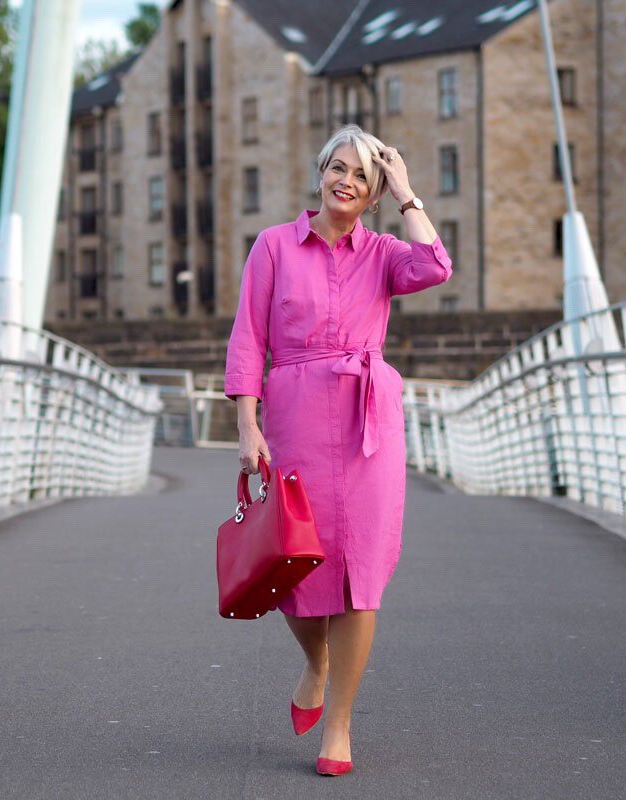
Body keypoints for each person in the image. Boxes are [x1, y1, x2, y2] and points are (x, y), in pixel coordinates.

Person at [224, 124, 452, 776]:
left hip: (367, 422)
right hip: (294, 414)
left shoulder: (384, 253)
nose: (346, 181)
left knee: (361, 572)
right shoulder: (273, 246)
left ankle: (341, 724)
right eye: (338, 168)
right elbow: (249, 338)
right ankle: (316, 661)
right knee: (295, 560)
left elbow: (436, 266)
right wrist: (247, 425)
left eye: (362, 176)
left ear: (373, 194)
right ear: (320, 173)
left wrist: (405, 190)